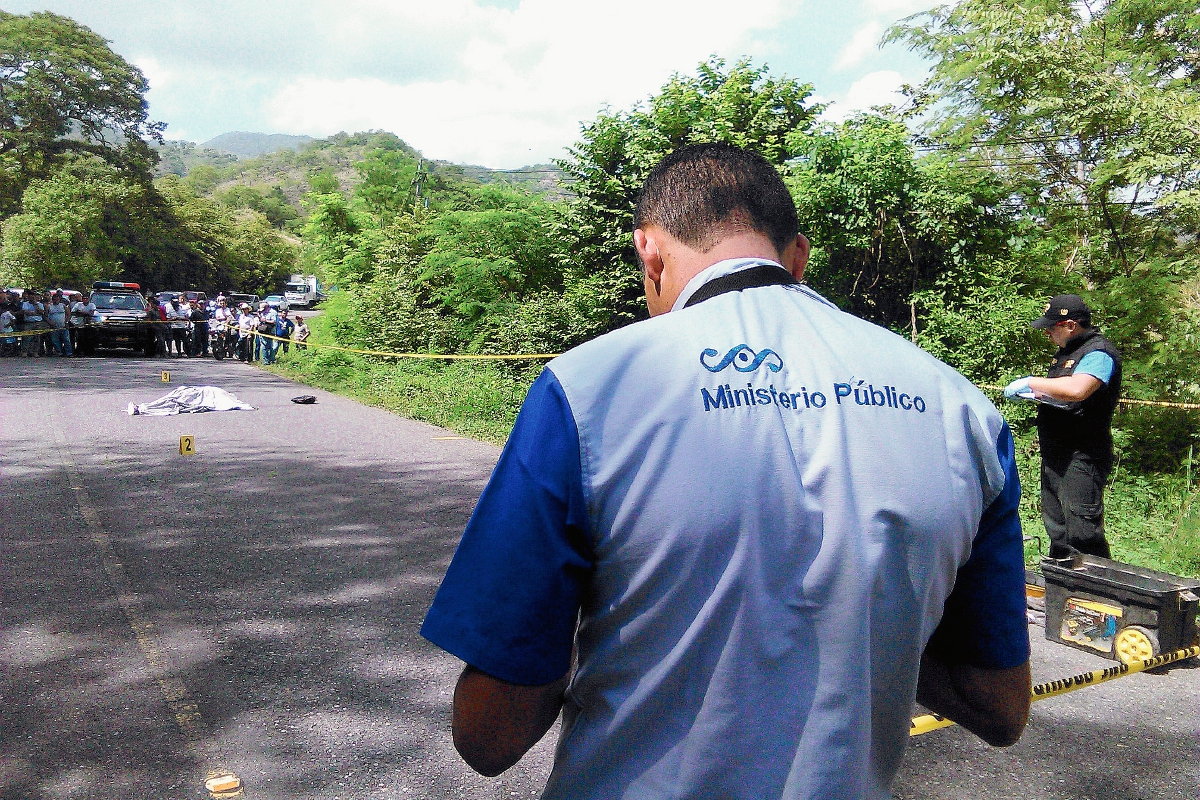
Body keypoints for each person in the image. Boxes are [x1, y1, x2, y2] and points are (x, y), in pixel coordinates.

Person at [421, 143, 1031, 800]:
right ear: (798, 256)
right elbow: (999, 705)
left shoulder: (588, 388)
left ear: (648, 253)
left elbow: (488, 735)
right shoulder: (959, 407)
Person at [1004, 294, 1121, 559]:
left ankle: (1093, 594)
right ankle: (1061, 590)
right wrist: (1035, 395)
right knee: (1058, 530)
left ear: (1069, 325)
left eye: (1051, 326)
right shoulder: (1065, 354)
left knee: (1082, 533)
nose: (1046, 332)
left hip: (1081, 456)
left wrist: (1032, 382)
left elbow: (1079, 389)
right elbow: (1062, 394)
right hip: (1056, 455)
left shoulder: (1098, 353)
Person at [45, 291, 72, 356]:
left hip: (63, 326)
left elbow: (69, 314)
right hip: (54, 327)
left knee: (66, 340)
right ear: (52, 299)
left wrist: (67, 322)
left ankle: (69, 353)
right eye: (54, 299)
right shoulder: (49, 306)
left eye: (57, 299)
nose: (55, 301)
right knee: (55, 341)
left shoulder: (63, 306)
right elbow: (45, 316)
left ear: (59, 299)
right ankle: (59, 352)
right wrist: (50, 323)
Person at [20, 291, 46, 357]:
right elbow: (26, 312)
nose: (32, 297)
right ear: (28, 296)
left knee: (37, 338)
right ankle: (25, 352)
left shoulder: (40, 304)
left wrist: (36, 305)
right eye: (30, 296)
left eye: (33, 296)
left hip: (38, 323)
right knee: (26, 338)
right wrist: (35, 313)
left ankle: (35, 352)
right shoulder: (25, 304)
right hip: (28, 323)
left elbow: (41, 312)